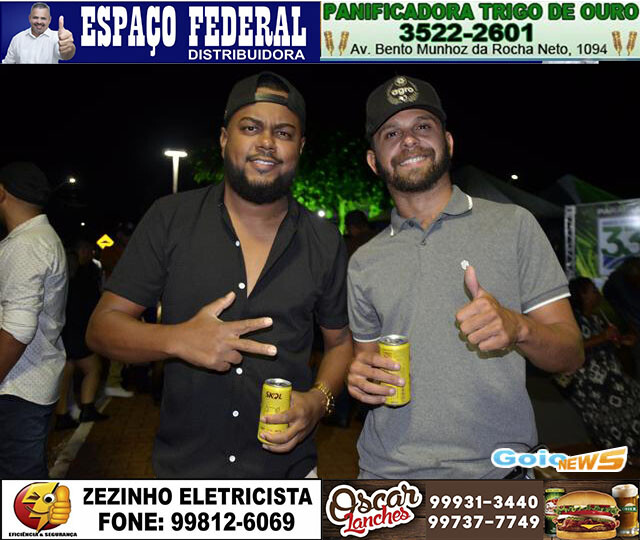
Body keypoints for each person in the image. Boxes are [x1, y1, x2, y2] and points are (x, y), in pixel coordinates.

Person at [87, 72, 352, 479]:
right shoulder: (170, 218)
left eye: (283, 133)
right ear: (225, 138)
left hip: (288, 475)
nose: (267, 142)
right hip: (186, 477)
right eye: (251, 128)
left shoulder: (325, 239)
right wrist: (177, 339)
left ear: (299, 147)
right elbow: (101, 329)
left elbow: (340, 344)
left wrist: (319, 402)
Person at [346, 75, 584, 479]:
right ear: (373, 161)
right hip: (388, 481)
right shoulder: (363, 261)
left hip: (495, 480)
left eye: (423, 126)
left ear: (448, 142)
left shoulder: (513, 225)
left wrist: (518, 327)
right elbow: (366, 361)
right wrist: (361, 378)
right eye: (391, 133)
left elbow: (572, 354)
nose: (409, 140)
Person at [0, 162, 68, 478]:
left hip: (17, 387)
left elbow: (17, 330)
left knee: (21, 488)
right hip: (27, 384)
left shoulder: (27, 244)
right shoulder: (39, 238)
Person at [554, 278, 640, 458]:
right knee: (611, 422)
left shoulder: (596, 319)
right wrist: (603, 337)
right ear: (582, 295)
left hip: (613, 381)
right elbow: (571, 347)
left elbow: (608, 345)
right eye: (593, 290)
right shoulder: (572, 323)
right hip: (592, 387)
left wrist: (623, 341)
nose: (598, 293)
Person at [55, 239, 108, 429]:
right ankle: (86, 407)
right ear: (82, 251)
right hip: (76, 329)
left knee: (66, 372)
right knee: (92, 368)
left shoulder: (62, 270)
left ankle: (64, 414)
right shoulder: (82, 275)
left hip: (63, 329)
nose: (90, 254)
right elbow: (89, 303)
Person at [2, 3, 75, 64]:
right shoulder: (17, 39)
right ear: (29, 18)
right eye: (35, 18)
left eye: (43, 18)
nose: (39, 22)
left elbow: (66, 54)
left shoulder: (57, 38)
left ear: (49, 20)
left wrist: (69, 49)